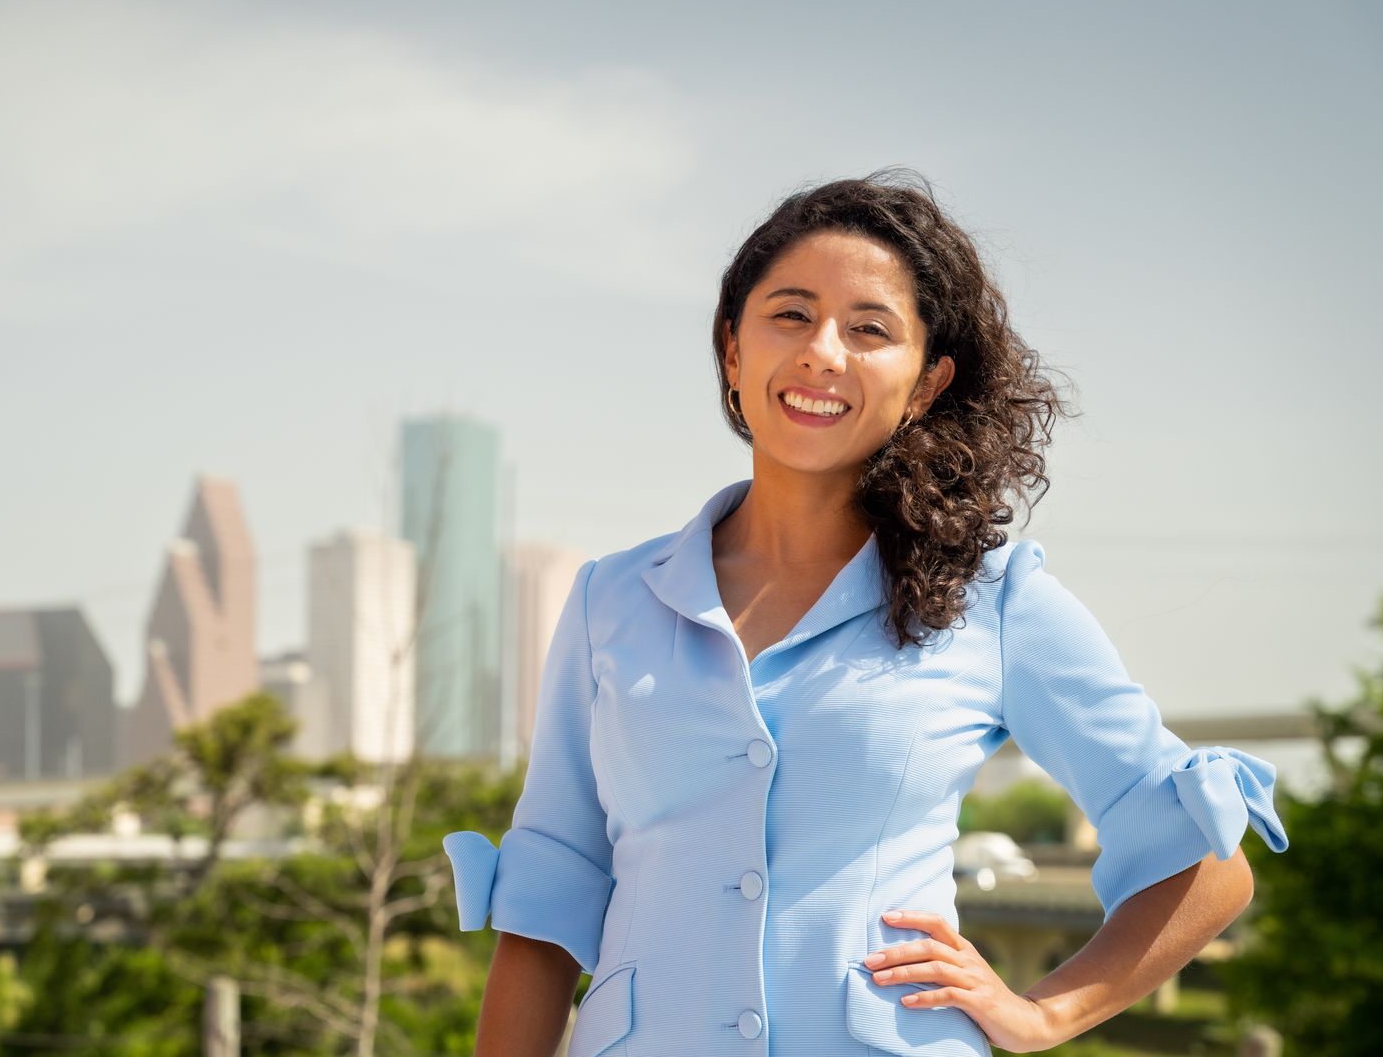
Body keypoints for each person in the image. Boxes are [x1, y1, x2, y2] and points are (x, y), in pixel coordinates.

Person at [442, 168, 1288, 1056]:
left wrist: (1047, 1016)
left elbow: (1205, 866)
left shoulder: (996, 597)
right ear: (734, 351)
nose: (822, 352)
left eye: (870, 329)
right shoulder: (607, 600)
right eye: (791, 315)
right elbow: (547, 905)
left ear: (926, 382)